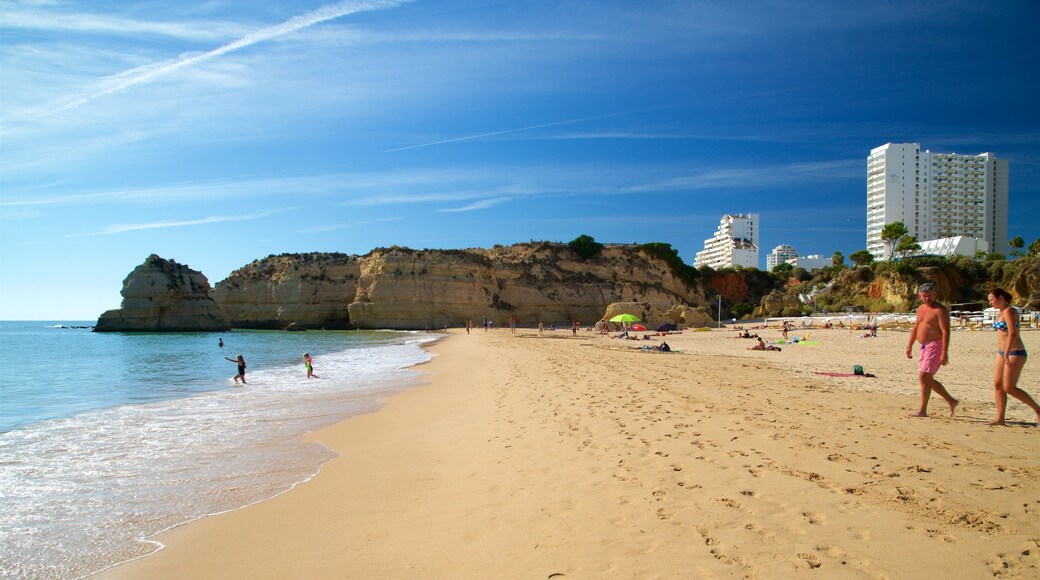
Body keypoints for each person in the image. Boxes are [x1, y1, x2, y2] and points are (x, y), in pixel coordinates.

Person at [987, 288, 1040, 425]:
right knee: (998, 385)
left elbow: (1013, 333)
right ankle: (1000, 418)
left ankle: (1038, 410)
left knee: (1009, 387)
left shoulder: (1010, 311)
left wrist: (1007, 351)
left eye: (992, 300)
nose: (990, 303)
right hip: (1002, 352)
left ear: (1000, 298)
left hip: (1015, 352)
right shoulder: (1000, 313)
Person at [905, 283, 957, 417]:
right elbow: (916, 327)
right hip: (923, 346)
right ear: (919, 296)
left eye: (930, 296)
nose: (927, 299)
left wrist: (945, 352)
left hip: (936, 345)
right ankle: (951, 400)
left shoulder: (940, 310)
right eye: (924, 296)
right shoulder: (921, 309)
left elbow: (946, 332)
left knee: (924, 376)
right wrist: (909, 345)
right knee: (925, 378)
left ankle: (923, 410)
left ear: (935, 295)